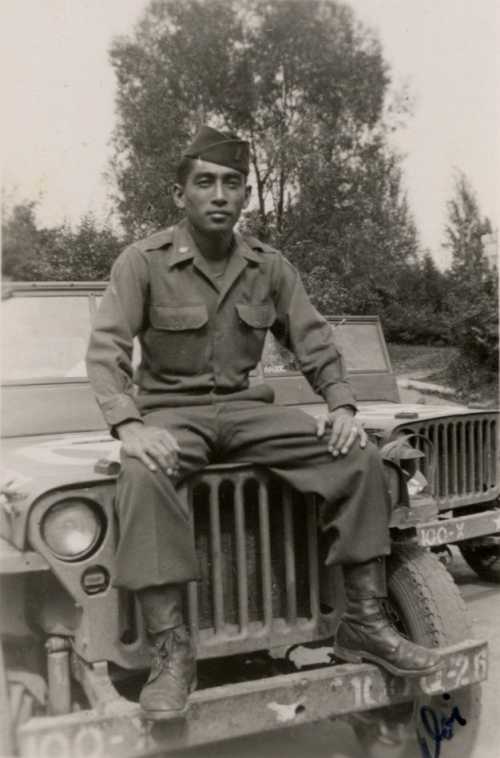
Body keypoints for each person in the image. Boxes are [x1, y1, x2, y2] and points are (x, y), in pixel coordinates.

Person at [86, 125, 442, 721]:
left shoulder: (268, 266)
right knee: (143, 476)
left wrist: (342, 406)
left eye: (231, 184)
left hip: (251, 411)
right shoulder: (141, 263)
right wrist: (130, 427)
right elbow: (106, 352)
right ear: (181, 195)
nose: (219, 195)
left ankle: (364, 622)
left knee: (359, 459)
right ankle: (172, 658)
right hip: (173, 415)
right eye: (205, 183)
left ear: (246, 196)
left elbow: (313, 339)